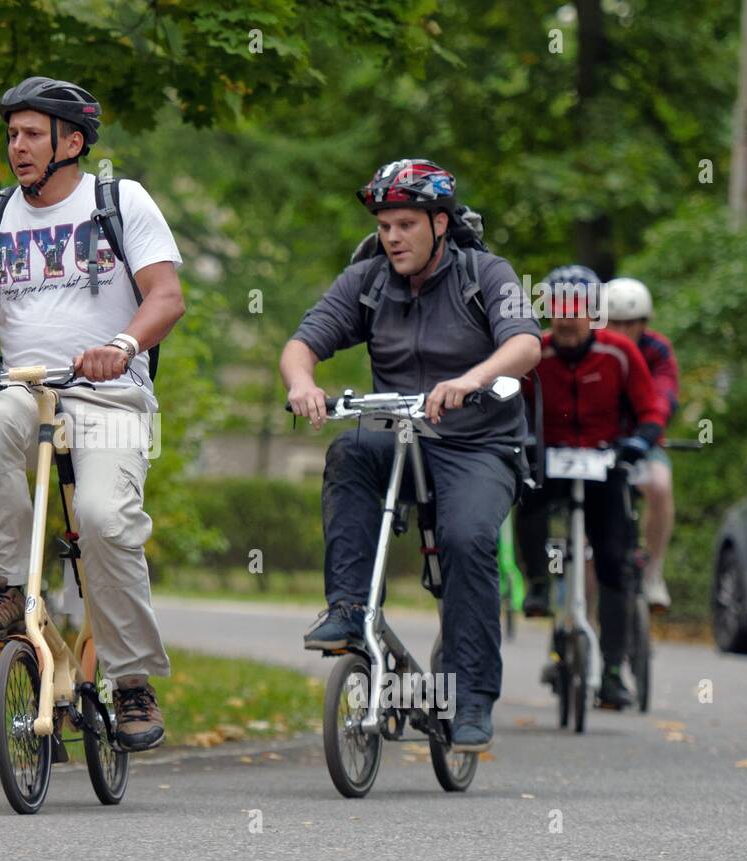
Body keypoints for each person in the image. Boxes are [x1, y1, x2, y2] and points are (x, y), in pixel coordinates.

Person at [0, 77, 185, 751]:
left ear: (72, 142)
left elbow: (166, 297)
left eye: (32, 134)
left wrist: (124, 344)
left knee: (104, 518)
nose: (17, 146)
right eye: (12, 134)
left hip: (107, 392)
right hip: (23, 385)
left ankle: (131, 679)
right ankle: (3, 585)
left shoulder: (120, 201)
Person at [280, 158, 542, 751]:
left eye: (404, 224)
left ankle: (472, 695)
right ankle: (348, 611)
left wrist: (470, 381)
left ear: (440, 223)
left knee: (469, 538)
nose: (391, 236)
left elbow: (526, 345)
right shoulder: (368, 279)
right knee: (348, 453)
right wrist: (302, 383)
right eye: (384, 225)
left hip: (478, 442)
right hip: (399, 434)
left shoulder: (487, 273)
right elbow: (302, 343)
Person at [517, 265, 669, 709]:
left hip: (605, 462)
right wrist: (522, 442)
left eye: (578, 309)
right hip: (551, 461)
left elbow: (650, 407)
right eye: (559, 308)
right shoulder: (534, 353)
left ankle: (615, 670)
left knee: (615, 562)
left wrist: (640, 442)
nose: (568, 319)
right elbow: (510, 405)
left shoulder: (620, 353)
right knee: (526, 501)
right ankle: (539, 582)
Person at [604, 277, 679, 611]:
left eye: (630, 323)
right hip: (597, 443)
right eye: (614, 322)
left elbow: (664, 394)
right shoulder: (593, 347)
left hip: (642, 440)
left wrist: (648, 431)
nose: (622, 330)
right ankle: (575, 618)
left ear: (643, 323)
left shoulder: (657, 350)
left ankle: (653, 570)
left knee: (660, 486)